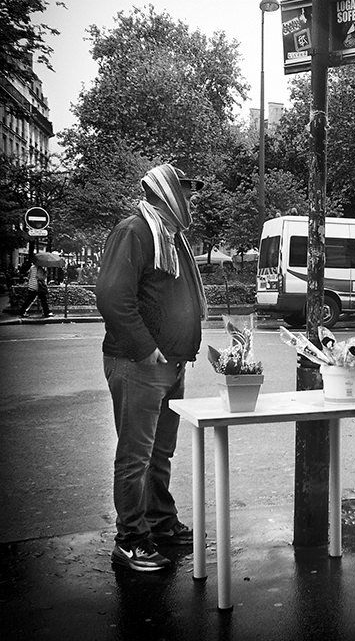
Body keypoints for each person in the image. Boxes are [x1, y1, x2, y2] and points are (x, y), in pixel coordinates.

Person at [96, 163, 207, 572]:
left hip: (172, 364)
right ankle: (130, 539)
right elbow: (111, 297)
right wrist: (146, 349)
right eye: (187, 188)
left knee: (161, 453)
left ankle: (159, 523)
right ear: (166, 192)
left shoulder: (171, 237)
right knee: (135, 457)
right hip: (138, 363)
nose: (192, 196)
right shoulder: (135, 231)